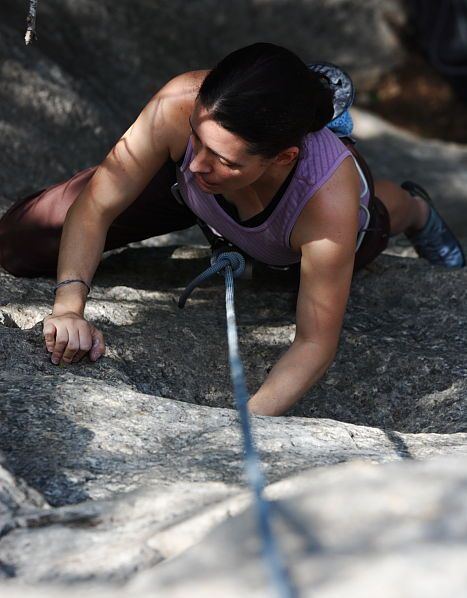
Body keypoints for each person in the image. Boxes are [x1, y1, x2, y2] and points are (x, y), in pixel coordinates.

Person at [0, 43, 464, 416]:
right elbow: (95, 206)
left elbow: (314, 342)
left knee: (374, 218)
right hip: (194, 197)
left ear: (283, 156)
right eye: (196, 139)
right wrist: (69, 308)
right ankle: (226, 163)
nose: (197, 161)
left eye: (222, 156)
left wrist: (245, 424)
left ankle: (415, 210)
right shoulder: (180, 108)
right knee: (21, 242)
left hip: (294, 222)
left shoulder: (327, 201)